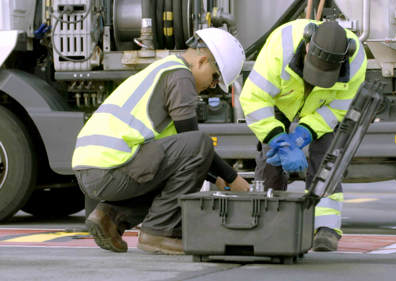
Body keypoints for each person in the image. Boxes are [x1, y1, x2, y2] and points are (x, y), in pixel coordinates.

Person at [72, 28, 249, 255]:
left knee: (181, 165)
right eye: (215, 78)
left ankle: (110, 217)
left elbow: (182, 160)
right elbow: (193, 143)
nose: (212, 86)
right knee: (201, 143)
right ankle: (159, 233)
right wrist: (232, 177)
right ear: (203, 61)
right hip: (110, 169)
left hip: (92, 171)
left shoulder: (161, 70)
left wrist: (217, 177)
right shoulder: (180, 77)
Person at [240, 19, 367, 251]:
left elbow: (338, 109)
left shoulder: (356, 62)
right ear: (307, 45)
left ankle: (326, 229)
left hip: (320, 107)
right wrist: (279, 140)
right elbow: (254, 99)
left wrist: (301, 136)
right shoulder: (280, 47)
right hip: (283, 101)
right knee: (270, 157)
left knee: (328, 155)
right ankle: (267, 223)